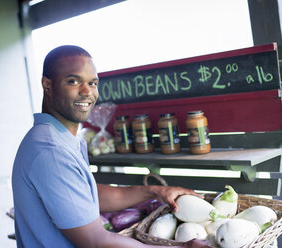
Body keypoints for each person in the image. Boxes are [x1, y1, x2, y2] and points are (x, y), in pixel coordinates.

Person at [11, 45, 210, 248]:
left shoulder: (56, 138)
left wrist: (155, 191)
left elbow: (87, 195)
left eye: (93, 83)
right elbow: (96, 242)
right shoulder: (51, 151)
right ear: (47, 85)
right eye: (73, 81)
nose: (87, 91)